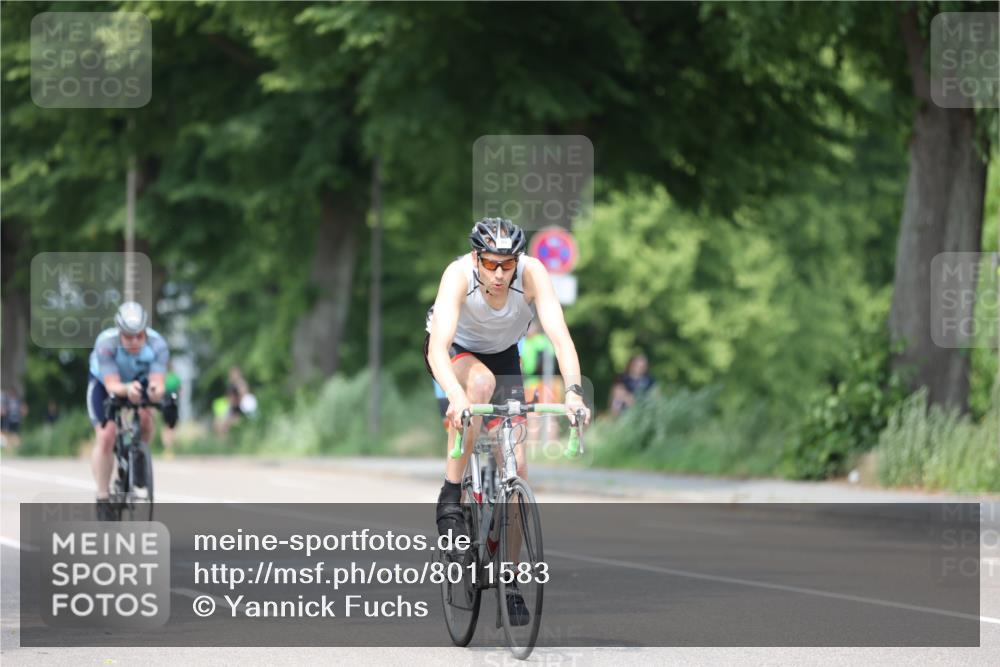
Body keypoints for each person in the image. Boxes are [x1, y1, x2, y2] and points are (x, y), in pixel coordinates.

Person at [424, 217, 590, 624]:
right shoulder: (457, 274)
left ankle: (509, 579)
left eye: (507, 265)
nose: (499, 274)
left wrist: (573, 394)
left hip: (503, 356)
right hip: (456, 353)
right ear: (477, 258)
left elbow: (560, 337)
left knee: (518, 468)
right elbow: (438, 349)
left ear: (518, 261)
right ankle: (450, 495)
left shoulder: (533, 274)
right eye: (491, 264)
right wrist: (457, 396)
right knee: (478, 384)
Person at [86, 301, 169, 520]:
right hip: (105, 384)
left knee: (145, 416)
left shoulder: (158, 344)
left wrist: (154, 391)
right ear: (119, 332)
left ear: (145, 333)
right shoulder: (106, 343)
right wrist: (126, 390)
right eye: (128, 336)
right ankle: (103, 498)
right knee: (107, 435)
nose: (134, 341)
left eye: (139, 336)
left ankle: (138, 455)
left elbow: (158, 382)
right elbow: (113, 385)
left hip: (137, 382)